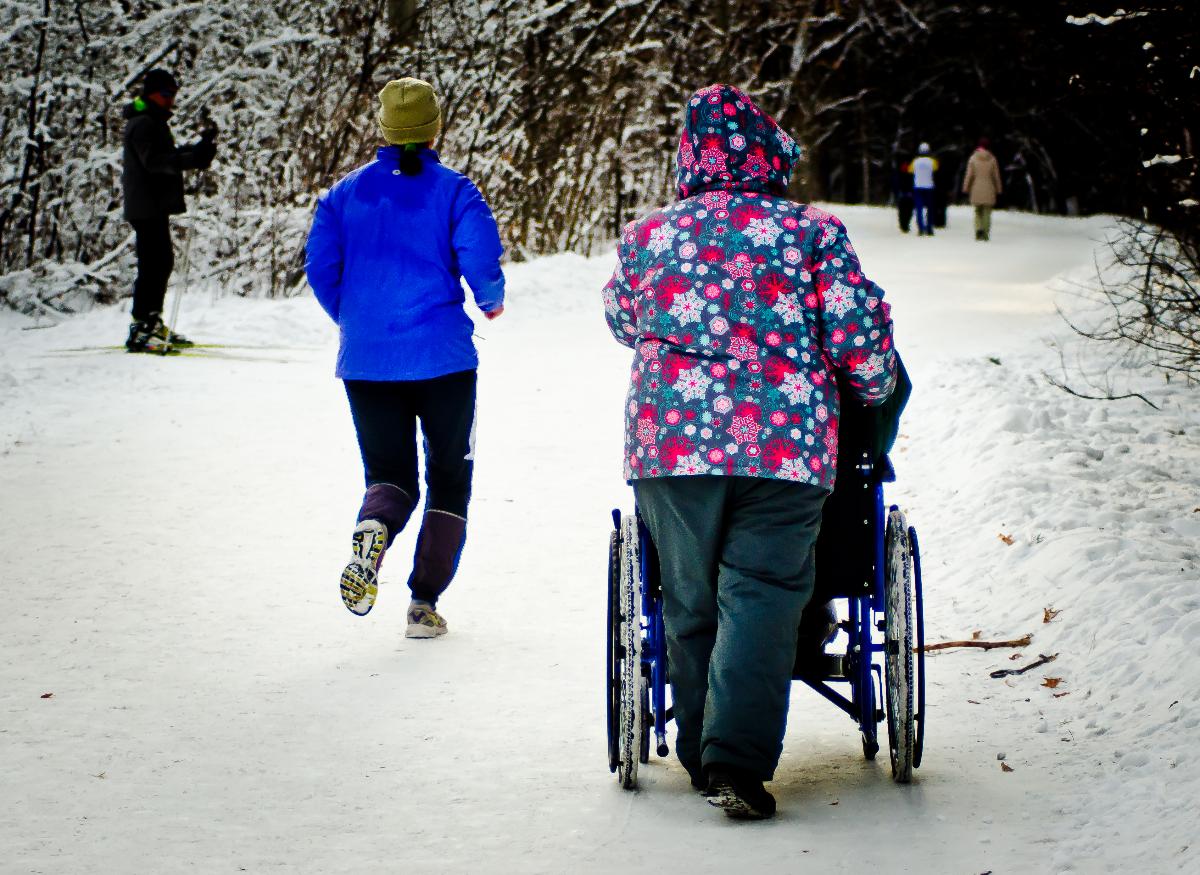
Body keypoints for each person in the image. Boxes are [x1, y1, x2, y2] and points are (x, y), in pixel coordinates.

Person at [602, 84, 898, 819]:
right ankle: (734, 760)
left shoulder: (649, 236)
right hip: (784, 446)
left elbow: (619, 316)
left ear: (689, 158)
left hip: (671, 446)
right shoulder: (812, 231)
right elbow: (860, 342)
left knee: (691, 598)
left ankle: (704, 754)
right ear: (769, 155)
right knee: (763, 594)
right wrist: (874, 387)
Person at [305, 77, 505, 639]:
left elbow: (320, 268)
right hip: (442, 359)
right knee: (448, 477)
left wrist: (357, 322)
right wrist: (491, 300)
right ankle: (422, 604)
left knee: (390, 475)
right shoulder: (455, 190)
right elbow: (481, 257)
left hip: (367, 363)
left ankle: (374, 527)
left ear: (384, 129)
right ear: (435, 126)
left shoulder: (343, 196)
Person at [121, 69, 218, 351]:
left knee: (160, 262)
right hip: (145, 204)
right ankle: (142, 326)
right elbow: (154, 161)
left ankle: (150, 321)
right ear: (151, 93)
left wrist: (198, 151)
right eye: (166, 94)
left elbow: (166, 154)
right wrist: (191, 158)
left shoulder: (152, 121)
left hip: (152, 205)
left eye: (173, 94)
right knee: (154, 263)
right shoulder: (142, 123)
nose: (170, 100)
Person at [963, 137, 1003, 240]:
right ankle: (985, 232)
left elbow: (969, 175)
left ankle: (978, 229)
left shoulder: (973, 158)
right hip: (989, 188)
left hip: (976, 187)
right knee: (987, 212)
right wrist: (998, 188)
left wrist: (966, 187)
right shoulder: (992, 159)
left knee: (977, 211)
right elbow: (996, 176)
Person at [910, 142, 938, 236]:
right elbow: (936, 169)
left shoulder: (915, 161)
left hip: (918, 186)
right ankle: (929, 227)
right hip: (929, 186)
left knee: (919, 208)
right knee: (930, 208)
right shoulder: (932, 161)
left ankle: (921, 228)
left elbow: (910, 170)